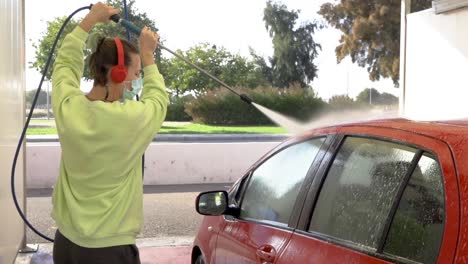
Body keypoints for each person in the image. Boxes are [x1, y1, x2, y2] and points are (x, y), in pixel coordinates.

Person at [50, 2, 168, 263]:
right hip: (108, 250)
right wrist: (148, 55)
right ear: (118, 72)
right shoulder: (130, 119)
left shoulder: (68, 106)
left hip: (65, 245)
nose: (137, 80)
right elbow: (158, 100)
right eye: (136, 73)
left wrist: (90, 20)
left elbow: (65, 66)